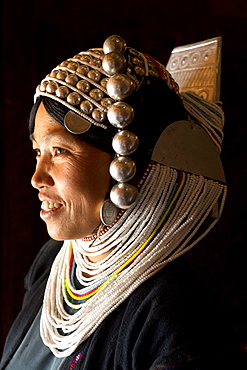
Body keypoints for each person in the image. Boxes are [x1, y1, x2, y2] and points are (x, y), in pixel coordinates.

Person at [0, 35, 237, 369]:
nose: (37, 177)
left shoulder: (173, 318)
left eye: (60, 151)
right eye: (38, 152)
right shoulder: (54, 263)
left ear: (130, 165)